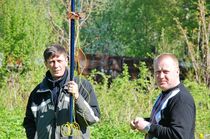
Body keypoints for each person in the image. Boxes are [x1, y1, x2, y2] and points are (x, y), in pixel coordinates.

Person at [23, 44, 100, 139]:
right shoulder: (38, 91)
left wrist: (77, 97)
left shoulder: (82, 86)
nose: (56, 65)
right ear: (46, 64)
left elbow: (93, 119)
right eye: (51, 62)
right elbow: (29, 122)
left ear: (66, 60)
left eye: (59, 61)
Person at [130, 53, 196, 139]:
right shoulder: (166, 93)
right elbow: (162, 121)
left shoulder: (181, 99)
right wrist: (142, 122)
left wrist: (148, 127)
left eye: (165, 72)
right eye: (157, 72)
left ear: (177, 71)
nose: (161, 76)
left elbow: (179, 135)